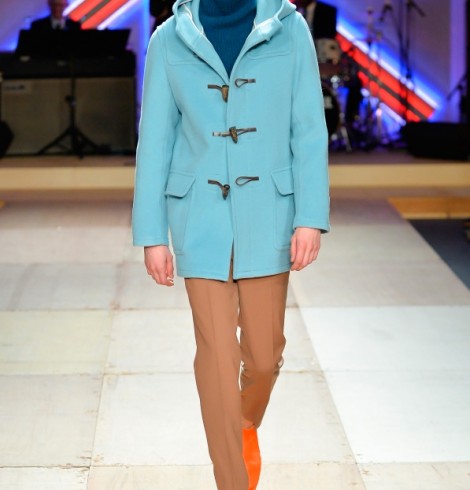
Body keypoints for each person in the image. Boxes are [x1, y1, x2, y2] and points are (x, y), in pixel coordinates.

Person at [132, 0, 330, 488]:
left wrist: (310, 216)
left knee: (263, 355)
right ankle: (232, 479)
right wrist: (152, 234)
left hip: (270, 213)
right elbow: (154, 141)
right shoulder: (169, 39)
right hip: (199, 215)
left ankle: (243, 424)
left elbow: (308, 129)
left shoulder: (289, 30)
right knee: (218, 359)